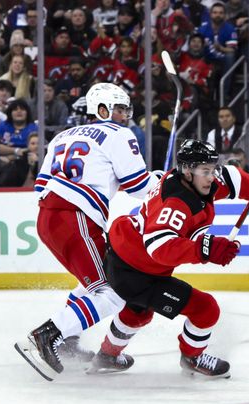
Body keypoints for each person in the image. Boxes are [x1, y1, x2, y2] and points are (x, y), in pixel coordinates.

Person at [99, 140, 249, 378]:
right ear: (188, 171)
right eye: (206, 171)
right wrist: (205, 249)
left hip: (125, 253)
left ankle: (106, 356)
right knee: (205, 309)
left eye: (212, 169)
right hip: (135, 269)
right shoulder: (176, 203)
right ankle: (193, 357)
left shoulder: (199, 182)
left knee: (138, 312)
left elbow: (235, 178)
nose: (212, 176)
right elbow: (159, 247)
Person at [13, 83, 157, 381]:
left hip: (50, 217)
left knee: (100, 280)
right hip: (76, 217)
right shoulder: (119, 134)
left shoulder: (62, 136)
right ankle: (47, 335)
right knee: (113, 292)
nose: (124, 115)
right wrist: (161, 181)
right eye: (118, 109)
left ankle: (66, 342)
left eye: (126, 109)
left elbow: (40, 186)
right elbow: (140, 187)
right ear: (101, 110)